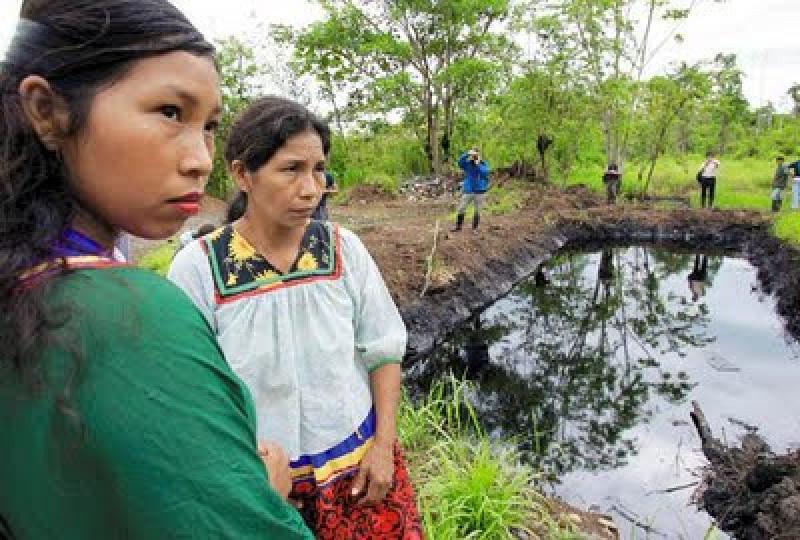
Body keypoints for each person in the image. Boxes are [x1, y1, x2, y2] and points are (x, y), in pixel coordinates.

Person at [0, 1, 312, 538]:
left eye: (209, 125)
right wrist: (263, 494)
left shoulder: (20, 286)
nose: (201, 158)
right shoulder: (135, 316)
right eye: (171, 112)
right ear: (48, 111)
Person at [168, 96, 422, 539]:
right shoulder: (199, 268)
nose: (311, 188)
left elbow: (383, 348)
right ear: (242, 174)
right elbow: (190, 396)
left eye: (318, 169)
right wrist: (252, 486)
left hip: (359, 472)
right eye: (291, 170)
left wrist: (383, 447)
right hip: (261, 486)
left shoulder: (343, 249)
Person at [452, 147, 490, 232]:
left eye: (476, 154)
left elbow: (484, 172)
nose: (475, 156)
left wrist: (478, 163)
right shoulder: (467, 164)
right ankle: (458, 227)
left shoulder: (484, 164)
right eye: (474, 154)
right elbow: (459, 162)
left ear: (479, 155)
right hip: (468, 190)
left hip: (480, 191)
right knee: (461, 208)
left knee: (478, 210)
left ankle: (475, 228)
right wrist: (467, 154)